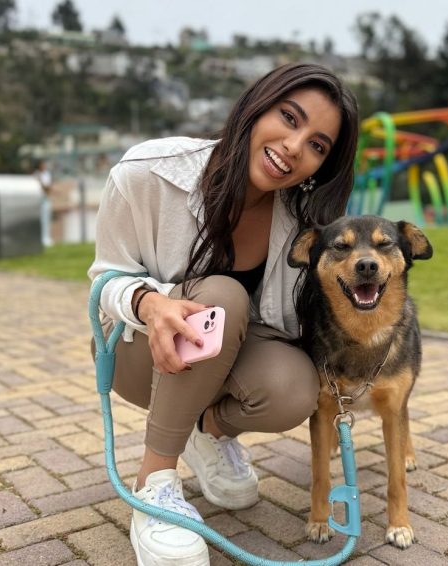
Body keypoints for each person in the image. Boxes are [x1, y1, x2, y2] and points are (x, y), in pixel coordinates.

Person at [88, 63, 359, 566]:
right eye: (289, 118)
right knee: (223, 297)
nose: (294, 146)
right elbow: (105, 279)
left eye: (318, 145)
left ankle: (205, 431)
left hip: (227, 358)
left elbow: (295, 324)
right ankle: (154, 486)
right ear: (256, 106)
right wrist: (151, 303)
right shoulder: (148, 171)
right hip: (138, 353)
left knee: (293, 388)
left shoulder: (302, 221)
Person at [33, 160, 54, 247]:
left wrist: (41, 183)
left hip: (45, 199)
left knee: (46, 219)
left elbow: (47, 188)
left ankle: (46, 238)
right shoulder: (35, 174)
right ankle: (39, 238)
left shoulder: (46, 175)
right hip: (38, 199)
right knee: (40, 220)